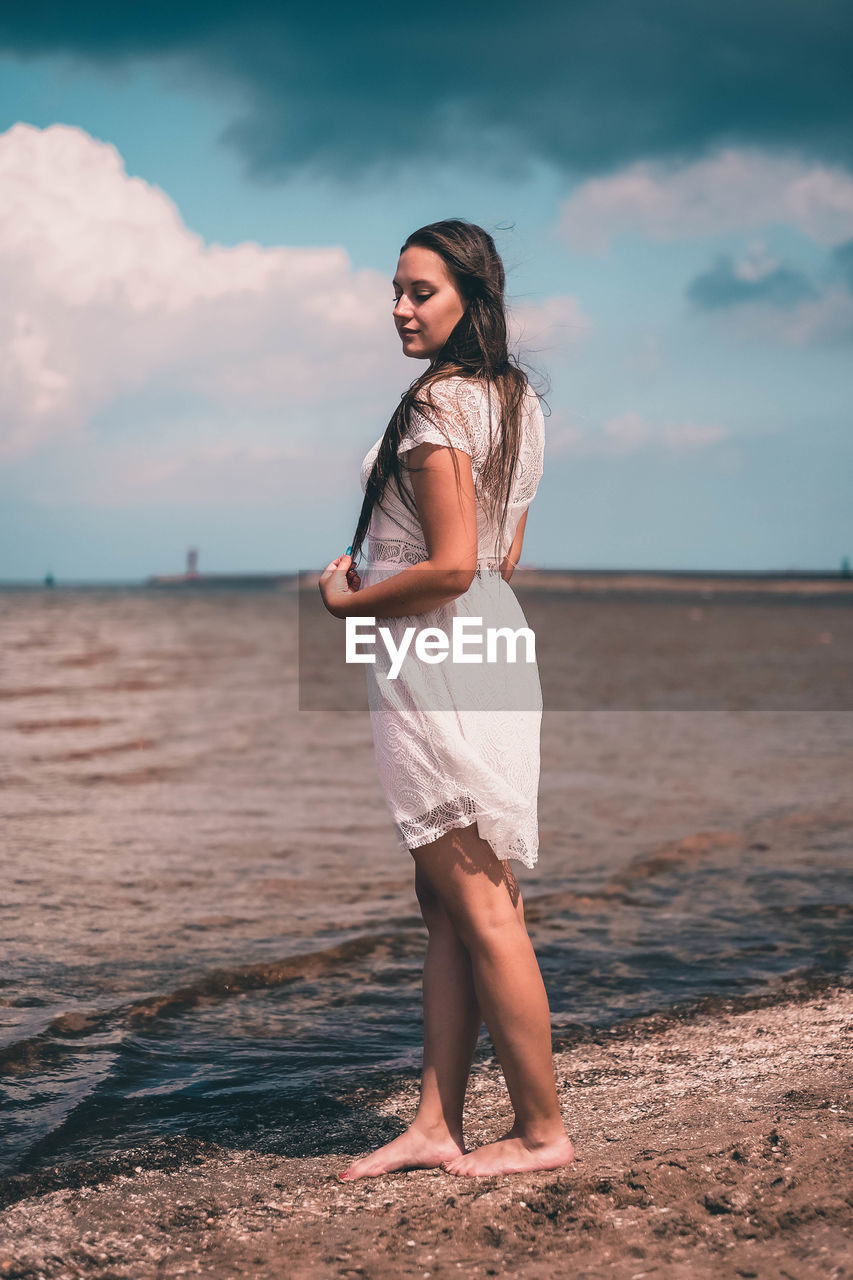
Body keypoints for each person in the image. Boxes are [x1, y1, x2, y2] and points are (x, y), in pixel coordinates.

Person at [319, 219, 574, 1179]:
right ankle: (435, 1120)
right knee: (448, 904)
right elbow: (503, 556)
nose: (399, 308)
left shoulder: (435, 413)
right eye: (395, 289)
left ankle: (542, 1131)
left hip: (439, 658)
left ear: (471, 296)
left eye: (419, 291)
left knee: (481, 902)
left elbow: (454, 567)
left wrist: (347, 600)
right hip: (495, 651)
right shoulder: (515, 404)